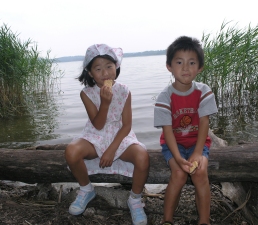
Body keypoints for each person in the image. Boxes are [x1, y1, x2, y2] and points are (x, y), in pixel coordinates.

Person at [65, 44, 149, 225]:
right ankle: (86, 189)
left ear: (116, 68)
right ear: (90, 72)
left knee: (142, 157)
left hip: (120, 135)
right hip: (95, 135)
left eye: (109, 67)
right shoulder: (86, 93)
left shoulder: (124, 91)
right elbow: (98, 124)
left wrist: (112, 150)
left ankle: (134, 199)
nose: (105, 73)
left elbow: (127, 125)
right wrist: (104, 103)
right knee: (71, 151)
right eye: (98, 68)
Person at [154, 36, 218, 225]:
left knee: (200, 173)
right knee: (179, 174)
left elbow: (204, 123)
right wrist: (178, 157)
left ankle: (204, 221)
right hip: (173, 144)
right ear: (169, 66)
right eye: (179, 62)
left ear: (199, 68)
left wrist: (198, 153)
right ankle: (167, 220)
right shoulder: (165, 97)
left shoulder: (204, 91)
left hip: (198, 142)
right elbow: (167, 132)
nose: (185, 68)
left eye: (191, 63)